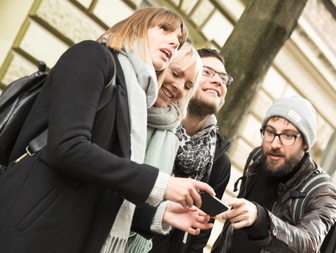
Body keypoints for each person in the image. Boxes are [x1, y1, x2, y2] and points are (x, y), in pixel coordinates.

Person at [0, 7, 215, 253]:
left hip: (65, 234)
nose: (173, 41)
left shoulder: (137, 100)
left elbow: (105, 181)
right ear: (137, 26)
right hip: (27, 227)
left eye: (178, 41)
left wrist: (160, 213)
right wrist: (160, 183)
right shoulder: (92, 56)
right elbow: (67, 147)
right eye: (164, 29)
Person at [211, 96, 336, 253]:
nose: (274, 144)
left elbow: (309, 243)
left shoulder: (323, 192)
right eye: (270, 132)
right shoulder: (257, 158)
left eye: (288, 136)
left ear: (305, 143)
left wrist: (261, 220)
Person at [149, 48, 233, 253]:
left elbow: (200, 233)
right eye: (207, 72)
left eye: (223, 78)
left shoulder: (219, 160)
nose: (218, 81)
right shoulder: (150, 122)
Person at [126, 43, 208, 252]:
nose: (180, 87)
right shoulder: (125, 104)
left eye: (188, 86)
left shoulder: (170, 134)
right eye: (176, 73)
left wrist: (160, 213)